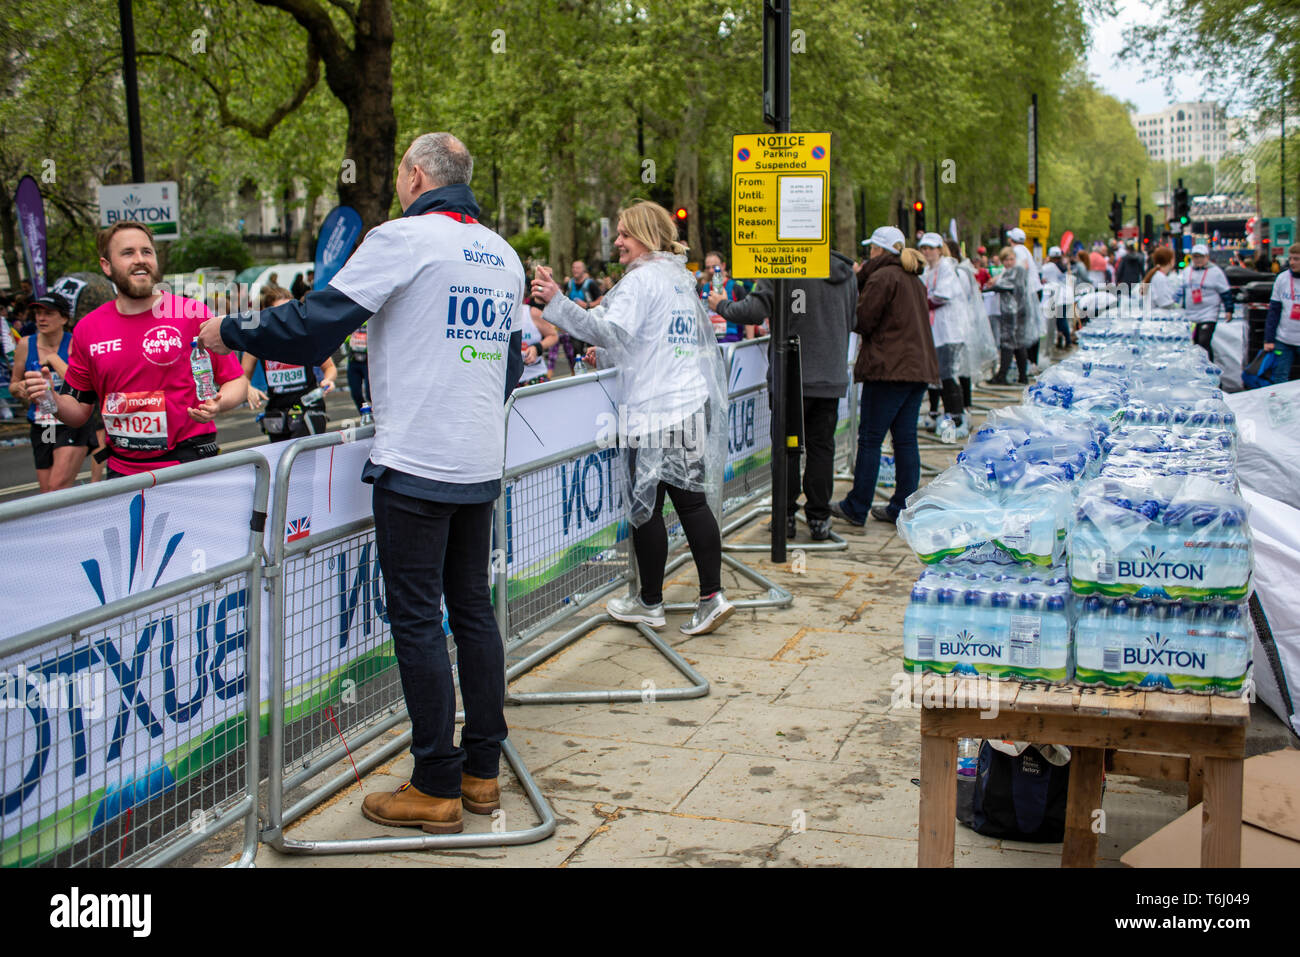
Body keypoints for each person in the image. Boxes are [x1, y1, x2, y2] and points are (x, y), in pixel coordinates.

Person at [200, 131, 526, 836]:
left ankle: (435, 784)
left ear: (413, 175)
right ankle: (481, 773)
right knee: (471, 610)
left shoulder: (403, 238)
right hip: (477, 461)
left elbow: (314, 326)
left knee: (416, 618)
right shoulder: (503, 253)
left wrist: (230, 332)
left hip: (414, 464)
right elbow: (512, 363)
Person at [531, 200, 733, 637]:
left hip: (656, 411)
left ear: (644, 236)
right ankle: (710, 595)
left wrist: (558, 302)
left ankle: (651, 602)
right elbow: (646, 340)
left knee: (646, 508)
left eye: (624, 234)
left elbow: (609, 329)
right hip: (689, 401)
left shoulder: (642, 281)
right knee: (691, 502)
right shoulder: (677, 279)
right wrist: (604, 353)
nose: (617, 242)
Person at [23, 222, 246, 479]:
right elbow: (78, 412)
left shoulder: (191, 313)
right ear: (106, 265)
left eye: (147, 252)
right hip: (123, 474)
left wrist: (220, 403)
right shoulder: (88, 329)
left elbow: (236, 381)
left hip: (190, 466)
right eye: (128, 253)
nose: (140, 260)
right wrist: (50, 398)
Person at [708, 245, 856, 541]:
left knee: (788, 449)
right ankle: (818, 518)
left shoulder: (783, 263)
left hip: (792, 375)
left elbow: (753, 310)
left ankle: (785, 515)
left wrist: (721, 305)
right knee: (821, 449)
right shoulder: (846, 273)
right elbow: (852, 320)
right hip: (829, 374)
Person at [830, 226, 938, 528]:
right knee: (905, 439)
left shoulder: (881, 277)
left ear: (878, 250)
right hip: (916, 370)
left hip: (889, 369)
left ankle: (857, 504)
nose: (868, 255)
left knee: (871, 439)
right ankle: (902, 505)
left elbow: (863, 320)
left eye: (871, 250)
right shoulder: (911, 278)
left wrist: (858, 280)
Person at [8, 292, 95, 491]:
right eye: (38, 313)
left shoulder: (76, 343)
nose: (41, 318)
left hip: (71, 421)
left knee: (58, 487)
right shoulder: (25, 344)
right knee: (47, 493)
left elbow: (83, 382)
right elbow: (13, 383)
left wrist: (55, 359)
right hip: (43, 423)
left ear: (64, 318)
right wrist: (19, 388)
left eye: (48, 313)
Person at [241, 284, 338, 441]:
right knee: (283, 463)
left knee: (301, 458)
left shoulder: (306, 335)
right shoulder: (259, 340)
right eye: (279, 312)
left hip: (309, 408)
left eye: (291, 310)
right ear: (266, 313)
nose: (286, 317)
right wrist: (248, 387)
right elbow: (241, 377)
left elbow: (330, 367)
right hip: (277, 414)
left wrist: (328, 380)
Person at [917, 233, 968, 442]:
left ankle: (956, 417)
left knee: (947, 375)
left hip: (948, 332)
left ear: (939, 249)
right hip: (935, 331)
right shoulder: (928, 270)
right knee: (937, 376)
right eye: (924, 248)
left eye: (931, 248)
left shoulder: (946, 267)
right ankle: (941, 415)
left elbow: (941, 296)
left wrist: (920, 302)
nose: (927, 252)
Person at [984, 246, 1033, 384]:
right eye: (1006, 260)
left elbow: (1008, 285)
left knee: (1008, 342)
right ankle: (1021, 376)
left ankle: (1003, 375)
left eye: (1011, 259)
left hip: (1015, 311)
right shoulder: (1010, 271)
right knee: (1017, 344)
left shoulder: (1018, 270)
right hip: (1013, 310)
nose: (1009, 262)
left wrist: (991, 288)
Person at [1179, 243, 1232, 361]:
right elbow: (1182, 290)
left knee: (1204, 341)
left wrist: (1229, 309)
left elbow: (1225, 292)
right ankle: (1197, 366)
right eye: (1195, 257)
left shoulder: (1216, 272)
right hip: (1191, 313)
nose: (1197, 260)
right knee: (1195, 342)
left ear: (1207, 257)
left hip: (1209, 312)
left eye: (1200, 257)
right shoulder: (1187, 271)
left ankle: (1209, 367)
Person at [1006, 228, 1045, 369]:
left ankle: (1029, 361)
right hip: (1035, 290)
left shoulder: (1017, 251)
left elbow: (1022, 267)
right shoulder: (1025, 250)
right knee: (1030, 326)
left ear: (1011, 240)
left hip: (1029, 293)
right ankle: (1031, 360)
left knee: (1024, 328)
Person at [1263, 242, 1300, 384]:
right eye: (1290, 258)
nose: (1292, 262)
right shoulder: (1282, 278)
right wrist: (1269, 339)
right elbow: (1274, 311)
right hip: (1284, 339)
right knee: (1280, 378)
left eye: (1296, 259)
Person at [701, 250, 749, 342]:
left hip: (732, 340)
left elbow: (747, 316)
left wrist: (751, 340)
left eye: (714, 267)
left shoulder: (736, 288)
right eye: (708, 268)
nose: (711, 270)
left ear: (723, 266)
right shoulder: (703, 289)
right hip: (709, 341)